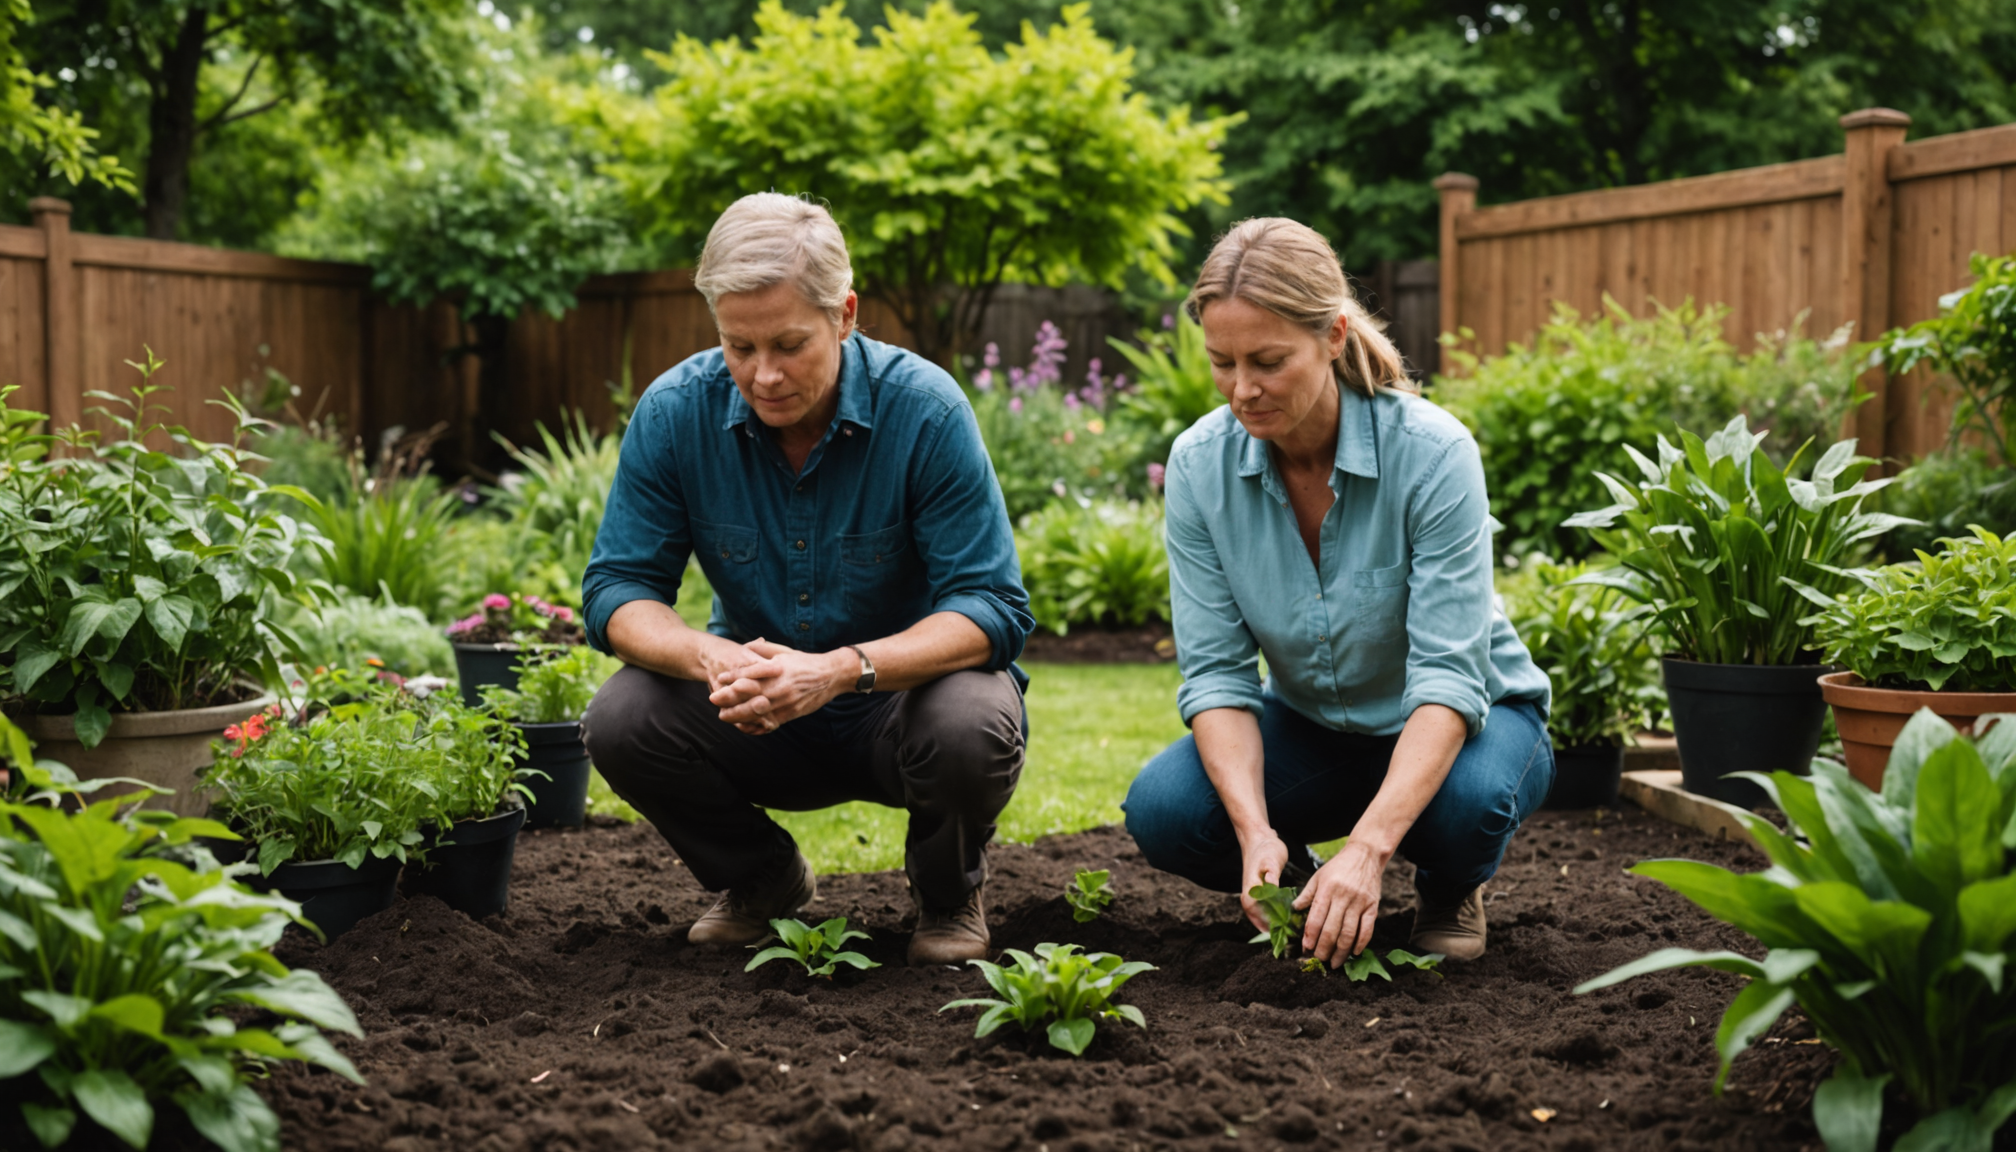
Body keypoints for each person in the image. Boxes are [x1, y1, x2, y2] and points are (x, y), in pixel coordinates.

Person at [578, 193, 1032, 966]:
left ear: (845, 314)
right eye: (738, 346)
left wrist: (837, 672)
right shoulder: (674, 413)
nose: (763, 374)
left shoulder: (925, 411)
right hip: (755, 712)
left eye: (789, 344)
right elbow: (616, 590)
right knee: (621, 717)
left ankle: (948, 893)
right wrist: (709, 658)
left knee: (972, 718)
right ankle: (760, 881)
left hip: (900, 711)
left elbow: (991, 608)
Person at [1121, 218, 1553, 967]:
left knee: (1466, 812)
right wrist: (1257, 832)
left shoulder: (1433, 453)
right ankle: (1311, 894)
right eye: (1222, 362)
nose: (1243, 389)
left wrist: (1372, 845)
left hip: (1466, 721)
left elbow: (1451, 679)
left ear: (1332, 335)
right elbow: (1219, 677)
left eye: (1268, 361)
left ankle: (1450, 885)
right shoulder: (1199, 467)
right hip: (1318, 725)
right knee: (1168, 812)